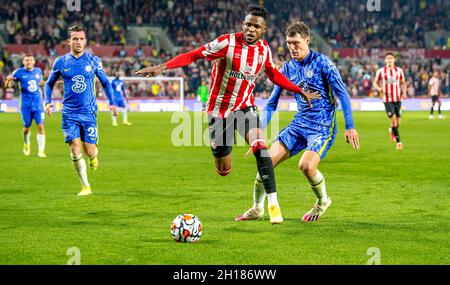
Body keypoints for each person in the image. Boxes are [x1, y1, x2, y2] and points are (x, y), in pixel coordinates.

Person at [136, 5, 319, 224]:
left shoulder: (263, 50)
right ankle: (223, 157)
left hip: (245, 107)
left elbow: (273, 74)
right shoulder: (226, 43)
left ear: (264, 29)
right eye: (248, 24)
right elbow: (194, 55)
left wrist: (298, 90)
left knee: (260, 147)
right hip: (218, 110)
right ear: (243, 24)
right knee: (223, 169)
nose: (251, 29)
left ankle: (273, 205)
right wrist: (163, 66)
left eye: (256, 26)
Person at [236, 21, 359, 223]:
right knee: (264, 162)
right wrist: (257, 133)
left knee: (306, 166)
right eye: (289, 43)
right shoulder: (287, 68)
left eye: (296, 43)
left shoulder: (324, 63)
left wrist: (350, 126)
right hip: (298, 125)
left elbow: (342, 95)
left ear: (307, 40)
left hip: (321, 126)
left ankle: (323, 201)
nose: (292, 48)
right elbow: (271, 103)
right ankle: (257, 209)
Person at [44, 25, 118, 196]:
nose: (78, 42)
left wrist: (112, 103)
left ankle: (94, 157)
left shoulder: (93, 61)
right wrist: (47, 102)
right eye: (75, 39)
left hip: (89, 112)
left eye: (81, 39)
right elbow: (49, 83)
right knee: (74, 147)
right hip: (69, 112)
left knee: (89, 150)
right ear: (68, 41)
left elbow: (106, 83)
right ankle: (85, 186)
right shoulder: (61, 62)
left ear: (85, 41)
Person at [5, 54, 47, 158]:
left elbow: (40, 83)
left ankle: (41, 151)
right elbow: (8, 86)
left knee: (41, 126)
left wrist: (45, 83)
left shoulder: (38, 71)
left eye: (31, 60)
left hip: (38, 104)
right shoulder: (18, 72)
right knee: (26, 127)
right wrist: (8, 80)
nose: (29, 62)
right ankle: (26, 143)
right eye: (27, 60)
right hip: (26, 104)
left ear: (34, 61)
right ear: (23, 62)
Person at [373, 52, 407, 150]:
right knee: (393, 119)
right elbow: (375, 83)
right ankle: (398, 142)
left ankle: (391, 130)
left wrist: (404, 92)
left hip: (398, 98)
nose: (389, 60)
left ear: (394, 60)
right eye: (388, 58)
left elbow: (403, 83)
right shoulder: (381, 71)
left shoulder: (399, 71)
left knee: (398, 122)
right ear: (385, 60)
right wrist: (379, 89)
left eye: (391, 58)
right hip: (387, 99)